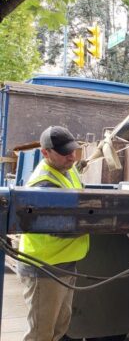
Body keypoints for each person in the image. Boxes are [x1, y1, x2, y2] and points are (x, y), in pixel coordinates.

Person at [17, 126, 89, 341]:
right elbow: (63, 226)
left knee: (59, 328)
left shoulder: (68, 167)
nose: (72, 156)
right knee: (41, 333)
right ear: (45, 153)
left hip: (65, 262)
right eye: (65, 152)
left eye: (74, 150)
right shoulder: (44, 183)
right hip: (44, 267)